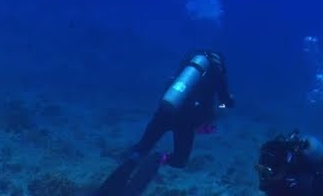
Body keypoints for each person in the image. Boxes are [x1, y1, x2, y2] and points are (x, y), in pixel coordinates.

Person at [95, 51, 235, 196]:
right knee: (179, 160)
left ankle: (123, 172)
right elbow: (225, 102)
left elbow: (174, 85)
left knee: (141, 149)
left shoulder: (190, 63)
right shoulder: (217, 71)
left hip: (165, 111)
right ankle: (158, 159)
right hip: (185, 122)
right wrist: (224, 105)